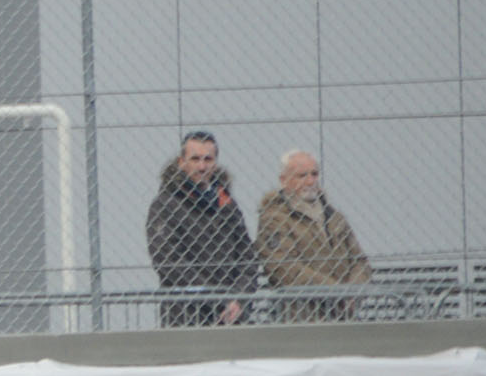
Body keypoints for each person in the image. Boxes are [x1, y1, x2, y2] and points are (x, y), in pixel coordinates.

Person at [145, 131, 258, 327]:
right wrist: (218, 299)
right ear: (182, 162)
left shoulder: (226, 204)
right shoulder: (165, 205)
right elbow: (169, 262)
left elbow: (247, 257)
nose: (202, 166)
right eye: (195, 159)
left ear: (215, 163)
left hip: (231, 316)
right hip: (186, 316)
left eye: (208, 159)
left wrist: (238, 299)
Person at [255, 149, 372, 322]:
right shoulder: (275, 218)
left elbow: (359, 261)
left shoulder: (333, 216)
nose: (310, 181)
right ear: (283, 180)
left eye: (314, 174)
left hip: (344, 315)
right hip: (302, 317)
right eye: (302, 175)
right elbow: (284, 268)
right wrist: (336, 291)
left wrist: (353, 291)